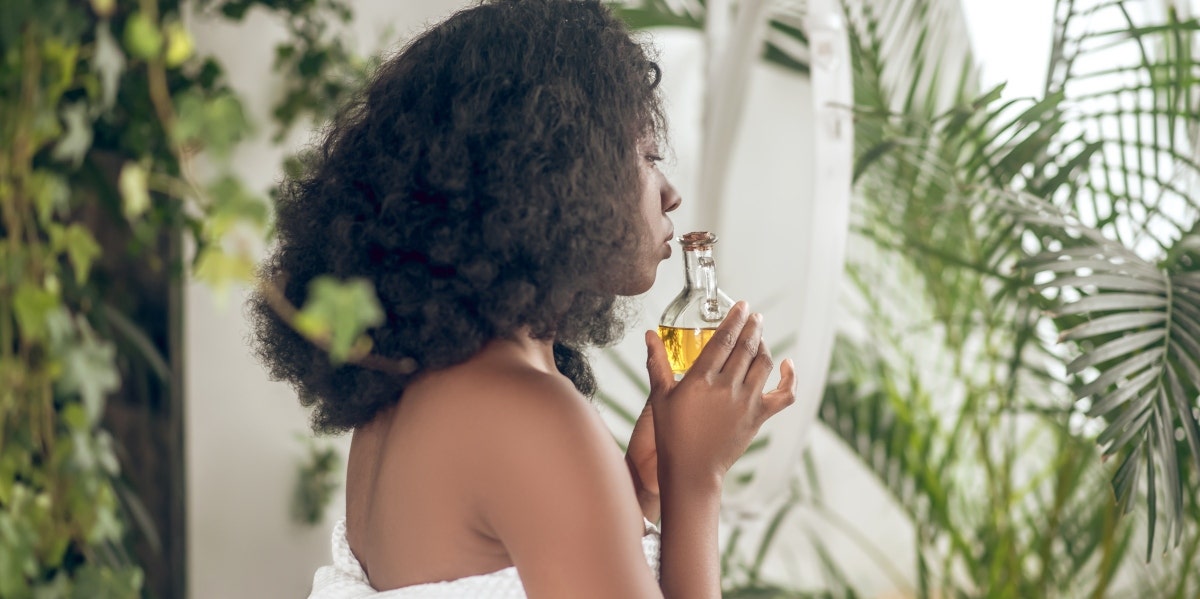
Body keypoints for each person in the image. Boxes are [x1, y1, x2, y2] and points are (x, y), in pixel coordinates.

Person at [249, 0, 796, 596]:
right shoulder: (531, 414)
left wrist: (643, 489)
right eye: (647, 157)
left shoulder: (405, 397)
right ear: (555, 171)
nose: (670, 195)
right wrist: (697, 482)